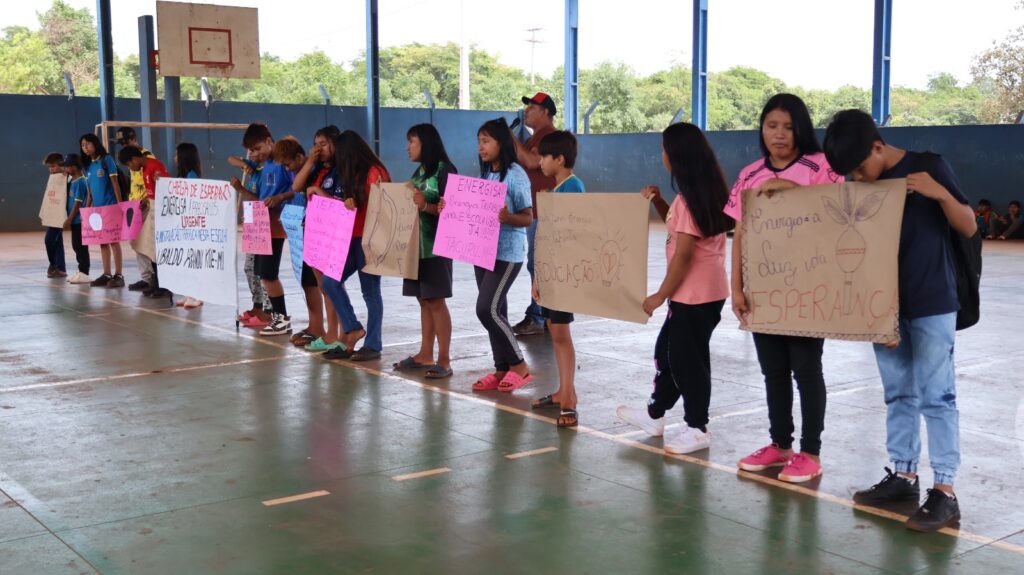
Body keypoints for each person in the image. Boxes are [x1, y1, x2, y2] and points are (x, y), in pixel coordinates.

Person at [823, 108, 976, 532]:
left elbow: (968, 227)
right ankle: (904, 476)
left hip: (931, 302)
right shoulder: (861, 185)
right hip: (882, 306)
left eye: (859, 167)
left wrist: (940, 194)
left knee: (937, 396)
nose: (857, 178)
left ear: (878, 145)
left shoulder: (929, 166)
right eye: (848, 174)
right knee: (898, 394)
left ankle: (945, 492)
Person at [730, 94, 843, 483]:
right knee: (773, 371)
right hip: (764, 290)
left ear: (802, 129)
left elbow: (836, 217)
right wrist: (737, 288)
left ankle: (811, 452)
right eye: (771, 125)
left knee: (806, 370)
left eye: (788, 126)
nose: (779, 134)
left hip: (808, 288)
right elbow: (740, 234)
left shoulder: (822, 168)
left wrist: (790, 190)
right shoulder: (748, 175)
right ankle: (781, 446)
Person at [615, 122, 733, 454]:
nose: (662, 155)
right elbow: (678, 228)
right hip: (702, 295)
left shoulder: (692, 199)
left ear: (676, 157)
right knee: (670, 354)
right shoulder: (698, 195)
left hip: (694, 296)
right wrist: (659, 202)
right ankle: (654, 413)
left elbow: (683, 256)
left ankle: (697, 427)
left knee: (686, 362)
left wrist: (658, 295)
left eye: (665, 149)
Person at [444, 118, 533, 393]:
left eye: (486, 141)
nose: (480, 147)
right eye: (478, 141)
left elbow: (527, 217)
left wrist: (508, 217)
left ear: (501, 143)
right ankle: (501, 367)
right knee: (498, 309)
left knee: (487, 309)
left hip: (507, 254)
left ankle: (518, 364)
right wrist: (451, 206)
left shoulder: (516, 175)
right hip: (482, 251)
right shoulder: (486, 175)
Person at [316, 130, 390, 361]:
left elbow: (381, 203)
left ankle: (373, 344)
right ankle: (352, 328)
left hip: (369, 238)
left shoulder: (374, 171)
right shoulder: (351, 173)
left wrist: (356, 201)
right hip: (350, 237)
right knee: (329, 281)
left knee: (370, 292)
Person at [392, 123, 458, 379]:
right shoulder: (419, 173)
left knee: (436, 301)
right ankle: (425, 353)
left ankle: (444, 359)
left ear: (426, 144)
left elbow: (451, 213)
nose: (408, 147)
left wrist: (425, 206)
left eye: (412, 141)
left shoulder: (445, 171)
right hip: (416, 249)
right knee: (424, 300)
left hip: (436, 248)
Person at [530, 130, 584, 427]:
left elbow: (572, 235)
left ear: (559, 159)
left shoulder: (572, 188)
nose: (539, 162)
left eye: (543, 156)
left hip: (565, 275)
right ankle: (562, 391)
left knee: (561, 334)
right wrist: (539, 275)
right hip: (551, 274)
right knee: (553, 328)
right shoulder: (555, 191)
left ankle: (570, 399)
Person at [229, 123, 294, 336]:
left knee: (269, 274)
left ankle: (280, 317)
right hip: (262, 225)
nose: (255, 154)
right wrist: (240, 189)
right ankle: (278, 317)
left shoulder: (283, 164)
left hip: (277, 226)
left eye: (257, 149)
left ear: (269, 141)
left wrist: (281, 198)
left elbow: (296, 189)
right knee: (264, 274)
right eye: (252, 151)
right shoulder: (264, 167)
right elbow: (260, 200)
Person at [272, 136, 327, 348]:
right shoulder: (301, 172)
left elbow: (296, 188)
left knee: (315, 284)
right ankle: (314, 325)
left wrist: (310, 163)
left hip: (315, 234)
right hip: (300, 236)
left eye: (288, 164)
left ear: (300, 157)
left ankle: (320, 328)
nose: (288, 169)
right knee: (306, 282)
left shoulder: (312, 172)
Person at [511, 92, 558, 336]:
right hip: (533, 207)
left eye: (532, 106)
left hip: (543, 209)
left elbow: (531, 162)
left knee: (538, 263)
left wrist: (511, 139)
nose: (527, 110)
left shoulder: (550, 137)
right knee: (536, 263)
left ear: (546, 112)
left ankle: (540, 315)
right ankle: (543, 313)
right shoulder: (533, 138)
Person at [294, 126, 344, 353]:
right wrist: (310, 162)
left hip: (332, 234)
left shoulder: (342, 169)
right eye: (315, 144)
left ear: (335, 144)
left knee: (333, 285)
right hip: (313, 233)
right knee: (324, 287)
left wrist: (318, 191)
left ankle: (337, 332)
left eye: (323, 144)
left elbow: (341, 203)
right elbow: (296, 186)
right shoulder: (317, 169)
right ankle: (329, 332)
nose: (318, 148)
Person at [117, 146, 170, 299]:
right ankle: (155, 283)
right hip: (151, 210)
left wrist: (162, 182)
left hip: (160, 213)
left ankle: (163, 286)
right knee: (148, 247)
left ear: (135, 159)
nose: (130, 168)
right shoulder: (144, 169)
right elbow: (151, 192)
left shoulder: (155, 166)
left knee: (155, 250)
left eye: (129, 164)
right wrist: (145, 201)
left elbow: (166, 187)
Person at [80, 133, 125, 288]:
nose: (85, 147)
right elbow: (90, 190)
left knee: (113, 241)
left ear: (95, 143)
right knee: (102, 242)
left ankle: (118, 275)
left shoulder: (107, 160)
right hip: (97, 210)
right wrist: (87, 208)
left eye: (88, 144)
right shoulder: (87, 166)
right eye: (83, 145)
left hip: (110, 206)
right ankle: (106, 273)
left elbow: (115, 183)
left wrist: (120, 206)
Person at [114, 127, 156, 292]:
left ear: (133, 139)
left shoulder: (146, 157)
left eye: (124, 142)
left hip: (145, 205)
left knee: (145, 242)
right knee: (135, 242)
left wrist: (146, 199)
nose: (122, 146)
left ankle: (152, 278)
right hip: (134, 206)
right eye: (120, 144)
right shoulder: (130, 159)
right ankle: (146, 277)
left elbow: (153, 181)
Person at [173, 142, 203, 306]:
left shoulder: (191, 176)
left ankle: (196, 295)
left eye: (177, 155)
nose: (174, 158)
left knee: (192, 261)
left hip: (191, 225)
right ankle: (189, 293)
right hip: (182, 225)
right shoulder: (181, 177)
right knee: (186, 261)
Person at [61, 154, 91, 285]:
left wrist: (69, 219)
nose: (65, 169)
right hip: (75, 221)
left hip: (79, 220)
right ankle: (81, 271)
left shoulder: (80, 181)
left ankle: (84, 272)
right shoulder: (73, 180)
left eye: (67, 166)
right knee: (76, 245)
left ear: (74, 167)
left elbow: (77, 203)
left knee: (80, 246)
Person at [41, 152, 67, 278]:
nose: (51, 170)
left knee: (49, 240)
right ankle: (60, 267)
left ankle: (54, 264)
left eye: (53, 166)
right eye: (49, 167)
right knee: (57, 241)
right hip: (53, 213)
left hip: (61, 214)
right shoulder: (53, 177)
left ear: (61, 165)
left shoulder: (67, 176)